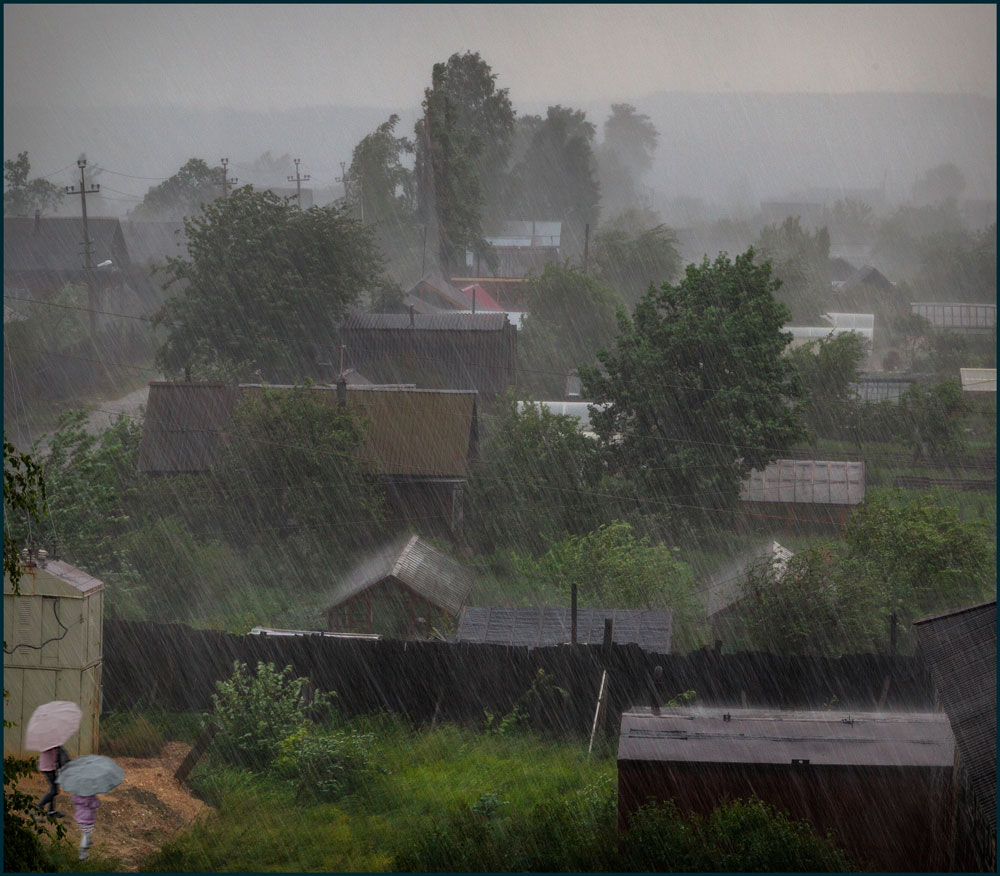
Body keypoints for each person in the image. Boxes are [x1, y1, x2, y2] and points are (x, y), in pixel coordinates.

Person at [36, 746, 67, 817]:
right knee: (54, 791)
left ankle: (51, 810)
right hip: (47, 768)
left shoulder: (55, 744)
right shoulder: (48, 744)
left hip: (51, 767)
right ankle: (38, 807)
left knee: (53, 789)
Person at [71, 794, 100, 861]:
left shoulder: (77, 793)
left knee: (85, 831)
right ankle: (83, 851)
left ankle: (88, 841)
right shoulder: (91, 795)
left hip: (79, 815)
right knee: (85, 833)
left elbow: (74, 800)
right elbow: (96, 805)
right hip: (88, 816)